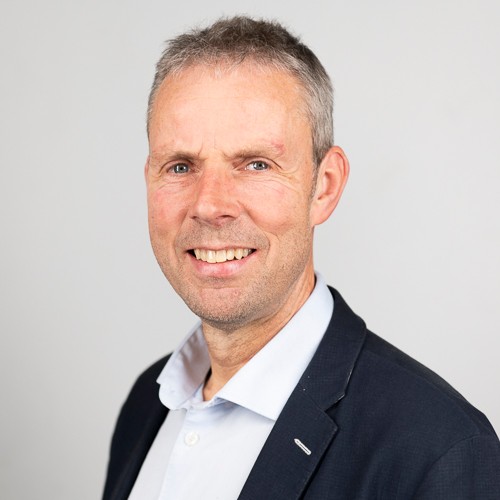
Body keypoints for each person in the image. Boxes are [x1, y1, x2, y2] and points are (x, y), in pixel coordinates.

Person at [102, 16, 500, 500]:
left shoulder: (438, 450)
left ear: (324, 187)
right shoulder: (147, 404)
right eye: (181, 166)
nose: (209, 205)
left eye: (255, 164)